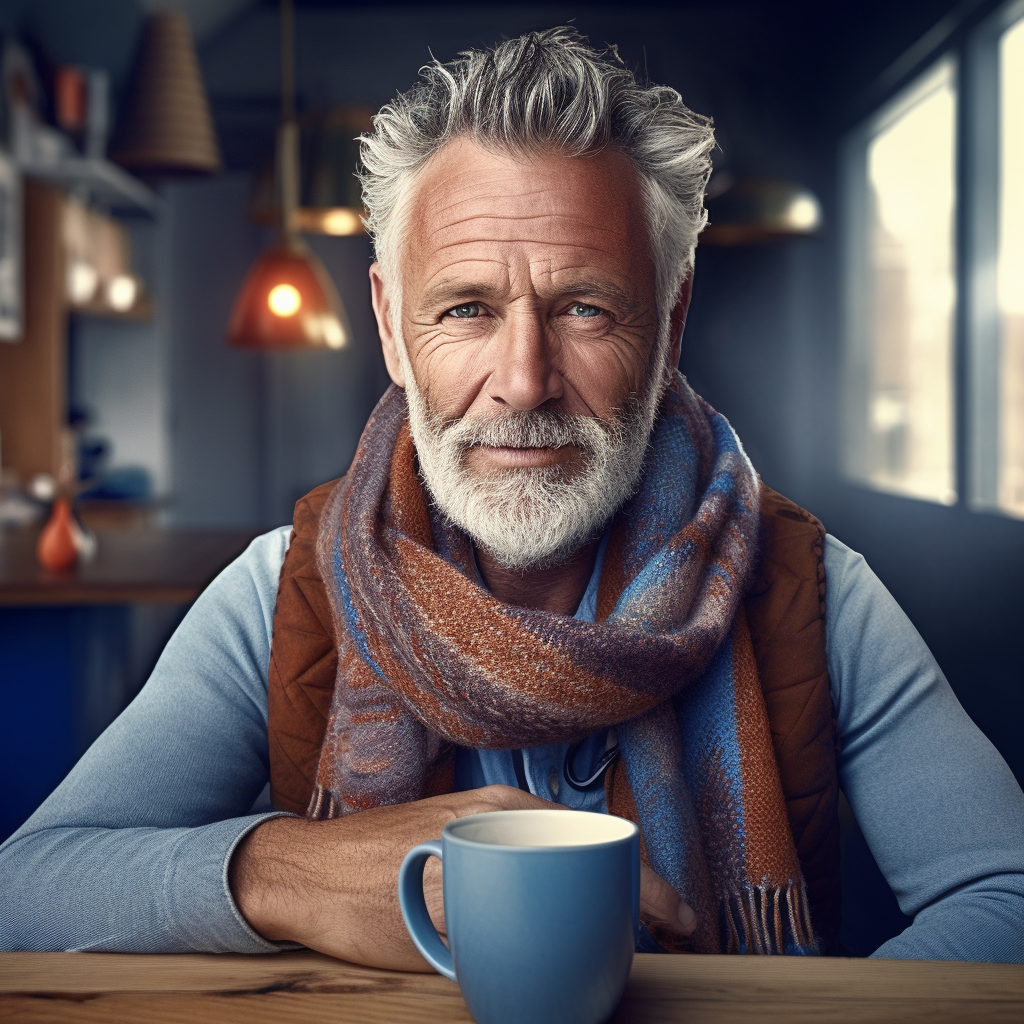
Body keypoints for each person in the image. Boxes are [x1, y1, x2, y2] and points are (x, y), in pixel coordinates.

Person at [1, 28, 1022, 966]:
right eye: (466, 308)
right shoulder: (285, 588)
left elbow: (1007, 895)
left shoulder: (813, 590)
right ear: (394, 328)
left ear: (668, 326)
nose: (524, 380)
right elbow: (27, 889)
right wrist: (290, 872)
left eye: (584, 307)